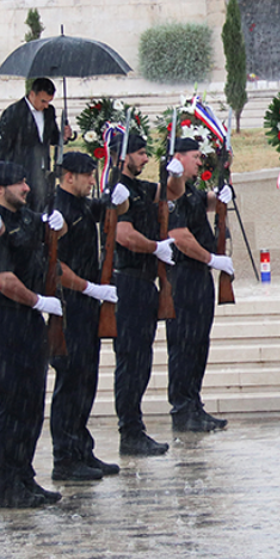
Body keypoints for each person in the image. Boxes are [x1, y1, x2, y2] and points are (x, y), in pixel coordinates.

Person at [0, 161, 68, 508]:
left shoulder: (24, 217)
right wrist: (37, 301)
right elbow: (2, 279)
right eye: (19, 183)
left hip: (33, 319)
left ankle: (25, 476)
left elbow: (47, 237)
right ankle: (7, 484)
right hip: (11, 319)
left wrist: (58, 230)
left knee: (32, 404)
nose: (27, 188)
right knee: (14, 404)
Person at [49, 152, 129, 481]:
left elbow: (110, 211)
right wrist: (88, 288)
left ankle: (82, 448)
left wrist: (120, 200)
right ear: (69, 176)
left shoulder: (82, 203)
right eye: (87, 176)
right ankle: (64, 457)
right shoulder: (60, 210)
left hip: (87, 305)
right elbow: (53, 266)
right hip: (70, 303)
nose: (92, 181)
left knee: (86, 380)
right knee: (71, 382)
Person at [165, 138, 234, 432]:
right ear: (178, 157)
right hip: (184, 275)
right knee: (183, 344)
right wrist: (211, 259)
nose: (198, 161)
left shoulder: (190, 189)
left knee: (198, 343)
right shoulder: (171, 191)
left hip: (199, 275)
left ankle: (194, 404)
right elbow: (180, 236)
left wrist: (222, 188)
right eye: (194, 157)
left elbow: (204, 202)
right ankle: (182, 409)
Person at [113, 134, 176, 456]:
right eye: (140, 154)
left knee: (142, 361)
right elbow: (123, 235)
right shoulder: (118, 190)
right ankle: (129, 430)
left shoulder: (141, 188)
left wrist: (174, 173)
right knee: (131, 361)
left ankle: (135, 428)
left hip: (145, 282)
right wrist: (155, 247)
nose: (145, 159)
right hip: (128, 281)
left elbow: (171, 193)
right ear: (123, 157)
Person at [0, 78, 67, 212]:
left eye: (49, 102)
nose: (46, 105)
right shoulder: (13, 113)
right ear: (32, 94)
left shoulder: (49, 112)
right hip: (22, 170)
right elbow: (4, 147)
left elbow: (52, 138)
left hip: (43, 172)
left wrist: (63, 136)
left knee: (42, 209)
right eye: (43, 101)